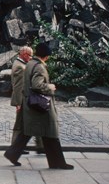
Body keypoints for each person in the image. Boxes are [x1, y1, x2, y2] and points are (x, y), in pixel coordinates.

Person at [4, 42, 74, 170]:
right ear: (46, 56)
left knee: (27, 133)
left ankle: (12, 154)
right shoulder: (40, 67)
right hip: (40, 106)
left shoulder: (30, 64)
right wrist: (50, 87)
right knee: (50, 132)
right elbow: (37, 85)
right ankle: (57, 162)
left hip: (30, 105)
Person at [10, 46, 44, 154]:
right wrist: (18, 103)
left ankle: (39, 146)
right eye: (30, 55)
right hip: (24, 100)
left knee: (32, 122)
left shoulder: (21, 64)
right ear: (24, 54)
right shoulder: (20, 67)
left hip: (28, 99)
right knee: (21, 124)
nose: (31, 57)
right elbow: (18, 87)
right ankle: (17, 147)